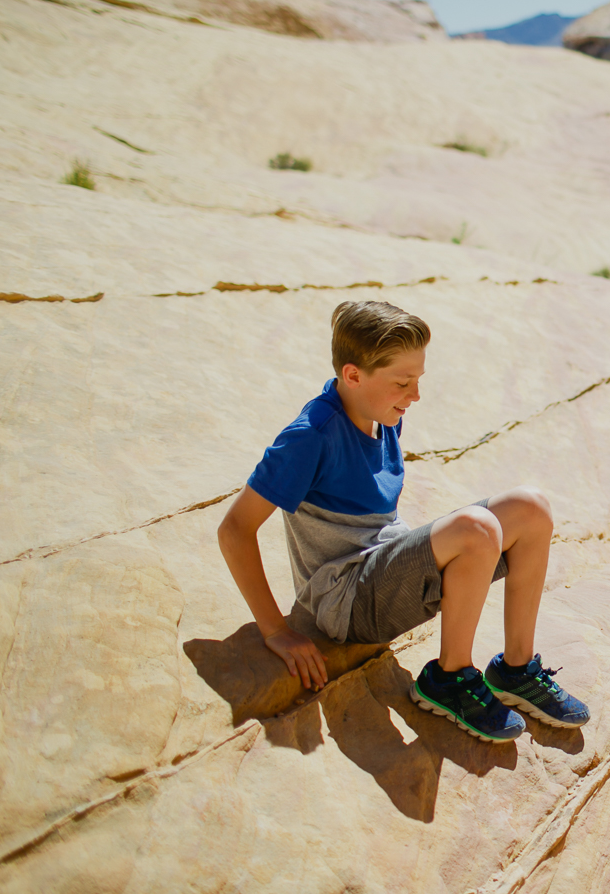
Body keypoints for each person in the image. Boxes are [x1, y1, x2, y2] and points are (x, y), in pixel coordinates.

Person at [216, 300, 588, 742]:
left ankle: (515, 669)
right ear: (353, 375)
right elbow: (234, 530)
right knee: (477, 528)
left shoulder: (380, 412)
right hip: (346, 596)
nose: (415, 395)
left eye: (418, 379)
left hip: (387, 569)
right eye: (402, 382)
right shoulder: (310, 437)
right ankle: (449, 678)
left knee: (533, 508)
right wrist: (275, 631)